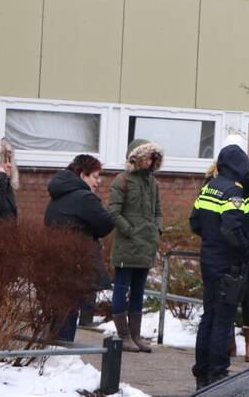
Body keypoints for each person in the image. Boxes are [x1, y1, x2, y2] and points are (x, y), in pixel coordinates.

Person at [189, 143, 249, 389]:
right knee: (223, 320)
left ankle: (201, 374)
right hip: (229, 266)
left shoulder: (209, 188)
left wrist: (212, 240)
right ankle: (217, 376)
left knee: (208, 317)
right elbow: (233, 229)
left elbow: (195, 223)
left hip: (209, 260)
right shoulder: (234, 193)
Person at [44, 154, 115, 342]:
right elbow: (106, 225)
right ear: (83, 175)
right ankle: (62, 352)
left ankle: (53, 349)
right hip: (75, 263)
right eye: (95, 176)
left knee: (57, 311)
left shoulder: (58, 194)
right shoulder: (84, 198)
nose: (98, 182)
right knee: (69, 311)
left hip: (55, 260)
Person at [108, 139, 164, 353]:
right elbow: (113, 212)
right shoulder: (121, 181)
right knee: (121, 290)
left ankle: (136, 334)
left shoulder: (153, 183)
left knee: (139, 291)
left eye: (153, 157)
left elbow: (158, 211)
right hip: (128, 245)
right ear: (136, 157)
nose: (150, 161)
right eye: (147, 156)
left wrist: (157, 229)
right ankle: (124, 335)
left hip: (146, 245)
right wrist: (130, 231)